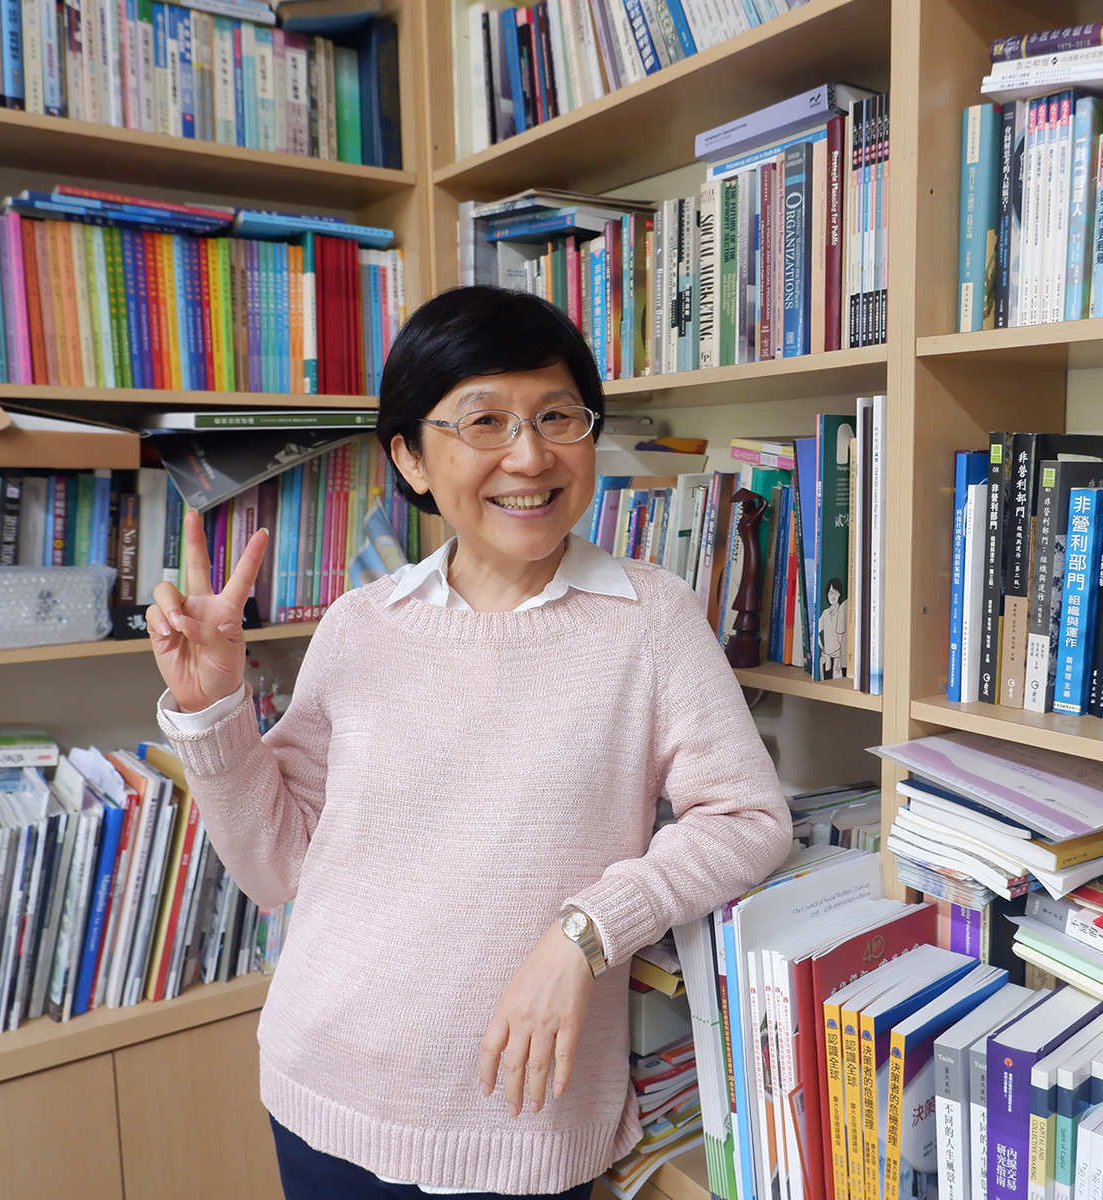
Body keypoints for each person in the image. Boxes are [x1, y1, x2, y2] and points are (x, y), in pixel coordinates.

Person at [144, 286, 794, 1200]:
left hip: (522, 1120)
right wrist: (213, 712)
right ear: (409, 457)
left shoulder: (649, 618)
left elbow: (747, 819)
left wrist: (583, 935)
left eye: (557, 415)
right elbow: (280, 867)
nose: (529, 455)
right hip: (318, 1085)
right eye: (483, 421)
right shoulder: (360, 623)